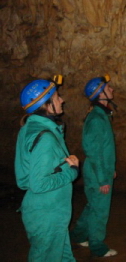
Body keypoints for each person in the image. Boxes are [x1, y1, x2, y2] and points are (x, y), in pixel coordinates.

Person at [15, 75, 80, 262]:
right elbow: (39, 183)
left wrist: (61, 165)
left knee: (64, 257)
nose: (62, 100)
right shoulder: (45, 138)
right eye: (57, 96)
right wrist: (71, 170)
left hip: (46, 211)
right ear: (46, 103)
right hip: (48, 213)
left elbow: (26, 177)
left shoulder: (29, 128)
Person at [70, 74, 118, 257]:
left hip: (100, 170)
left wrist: (109, 169)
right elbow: (93, 151)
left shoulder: (101, 115)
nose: (111, 89)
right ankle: (97, 246)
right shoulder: (97, 119)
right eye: (108, 88)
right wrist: (102, 178)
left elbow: (103, 148)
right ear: (100, 93)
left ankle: (78, 235)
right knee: (100, 210)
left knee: (93, 206)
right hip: (97, 172)